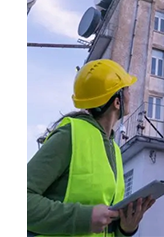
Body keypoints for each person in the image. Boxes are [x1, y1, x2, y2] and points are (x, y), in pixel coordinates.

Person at [27, 59, 155, 236]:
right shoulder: (69, 135)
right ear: (117, 102)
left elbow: (105, 224)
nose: (130, 94)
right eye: (127, 89)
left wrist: (125, 228)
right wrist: (83, 218)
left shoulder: (115, 150)